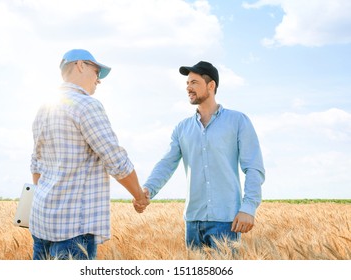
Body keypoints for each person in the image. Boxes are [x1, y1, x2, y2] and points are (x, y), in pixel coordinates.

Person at [30, 49, 149, 260]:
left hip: (41, 222)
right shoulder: (87, 105)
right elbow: (115, 160)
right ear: (80, 65)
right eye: (96, 71)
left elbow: (36, 166)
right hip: (73, 229)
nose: (99, 80)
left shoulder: (43, 108)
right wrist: (139, 196)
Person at [137, 61, 265, 250]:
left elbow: (254, 167)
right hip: (193, 222)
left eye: (194, 82)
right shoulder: (182, 128)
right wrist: (147, 189)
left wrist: (248, 208)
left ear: (211, 86)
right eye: (187, 83)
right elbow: (166, 163)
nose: (188, 88)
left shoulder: (238, 121)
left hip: (227, 221)